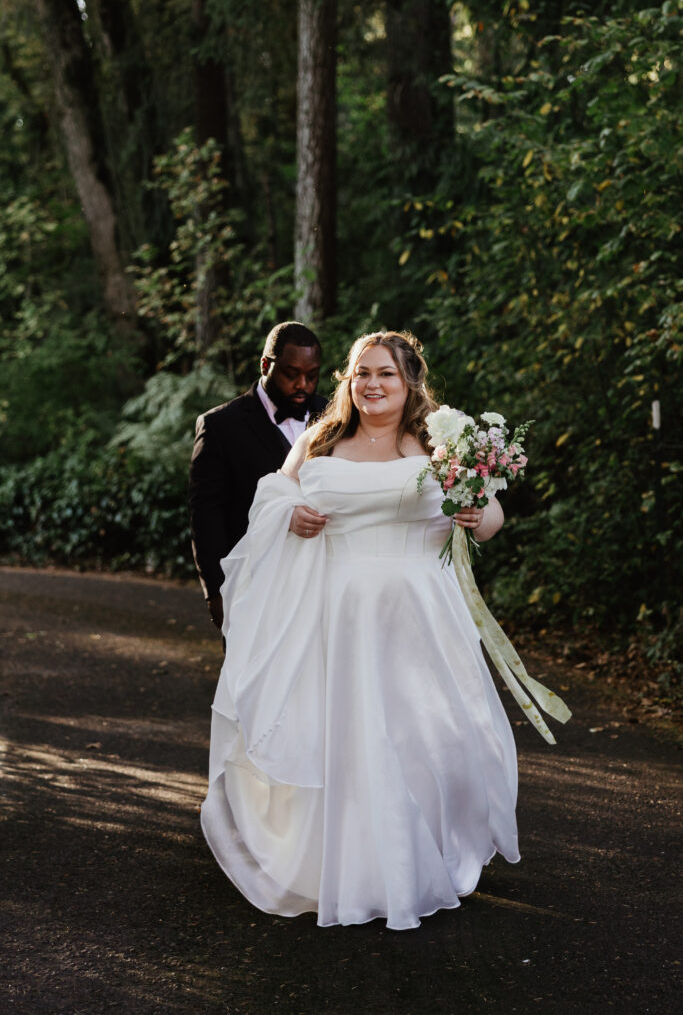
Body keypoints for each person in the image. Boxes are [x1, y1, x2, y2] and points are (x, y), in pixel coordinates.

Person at [200, 331, 566, 930]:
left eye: (386, 374)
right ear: (349, 381)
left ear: (410, 381)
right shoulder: (323, 438)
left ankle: (425, 854)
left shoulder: (439, 441)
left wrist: (478, 515)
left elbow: (492, 515)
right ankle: (356, 866)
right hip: (336, 613)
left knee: (424, 735)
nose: (371, 384)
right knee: (349, 735)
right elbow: (271, 496)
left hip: (419, 611)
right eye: (361, 373)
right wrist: (289, 514)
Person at [188, 321, 327, 629]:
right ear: (266, 365)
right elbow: (206, 515)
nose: (303, 384)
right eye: (292, 374)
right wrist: (216, 592)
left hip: (323, 583)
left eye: (312, 375)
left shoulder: (336, 416)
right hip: (252, 581)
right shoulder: (220, 426)